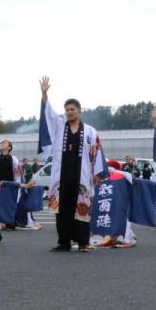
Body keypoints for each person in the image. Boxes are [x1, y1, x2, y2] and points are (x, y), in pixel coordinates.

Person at [39, 77, 107, 252]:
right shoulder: (59, 126)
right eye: (67, 109)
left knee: (82, 208)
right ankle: (64, 242)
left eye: (72, 109)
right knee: (62, 210)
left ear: (79, 111)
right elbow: (48, 113)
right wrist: (44, 94)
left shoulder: (90, 131)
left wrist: (97, 173)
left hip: (82, 175)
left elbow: (97, 152)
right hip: (61, 176)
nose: (69, 112)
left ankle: (83, 242)